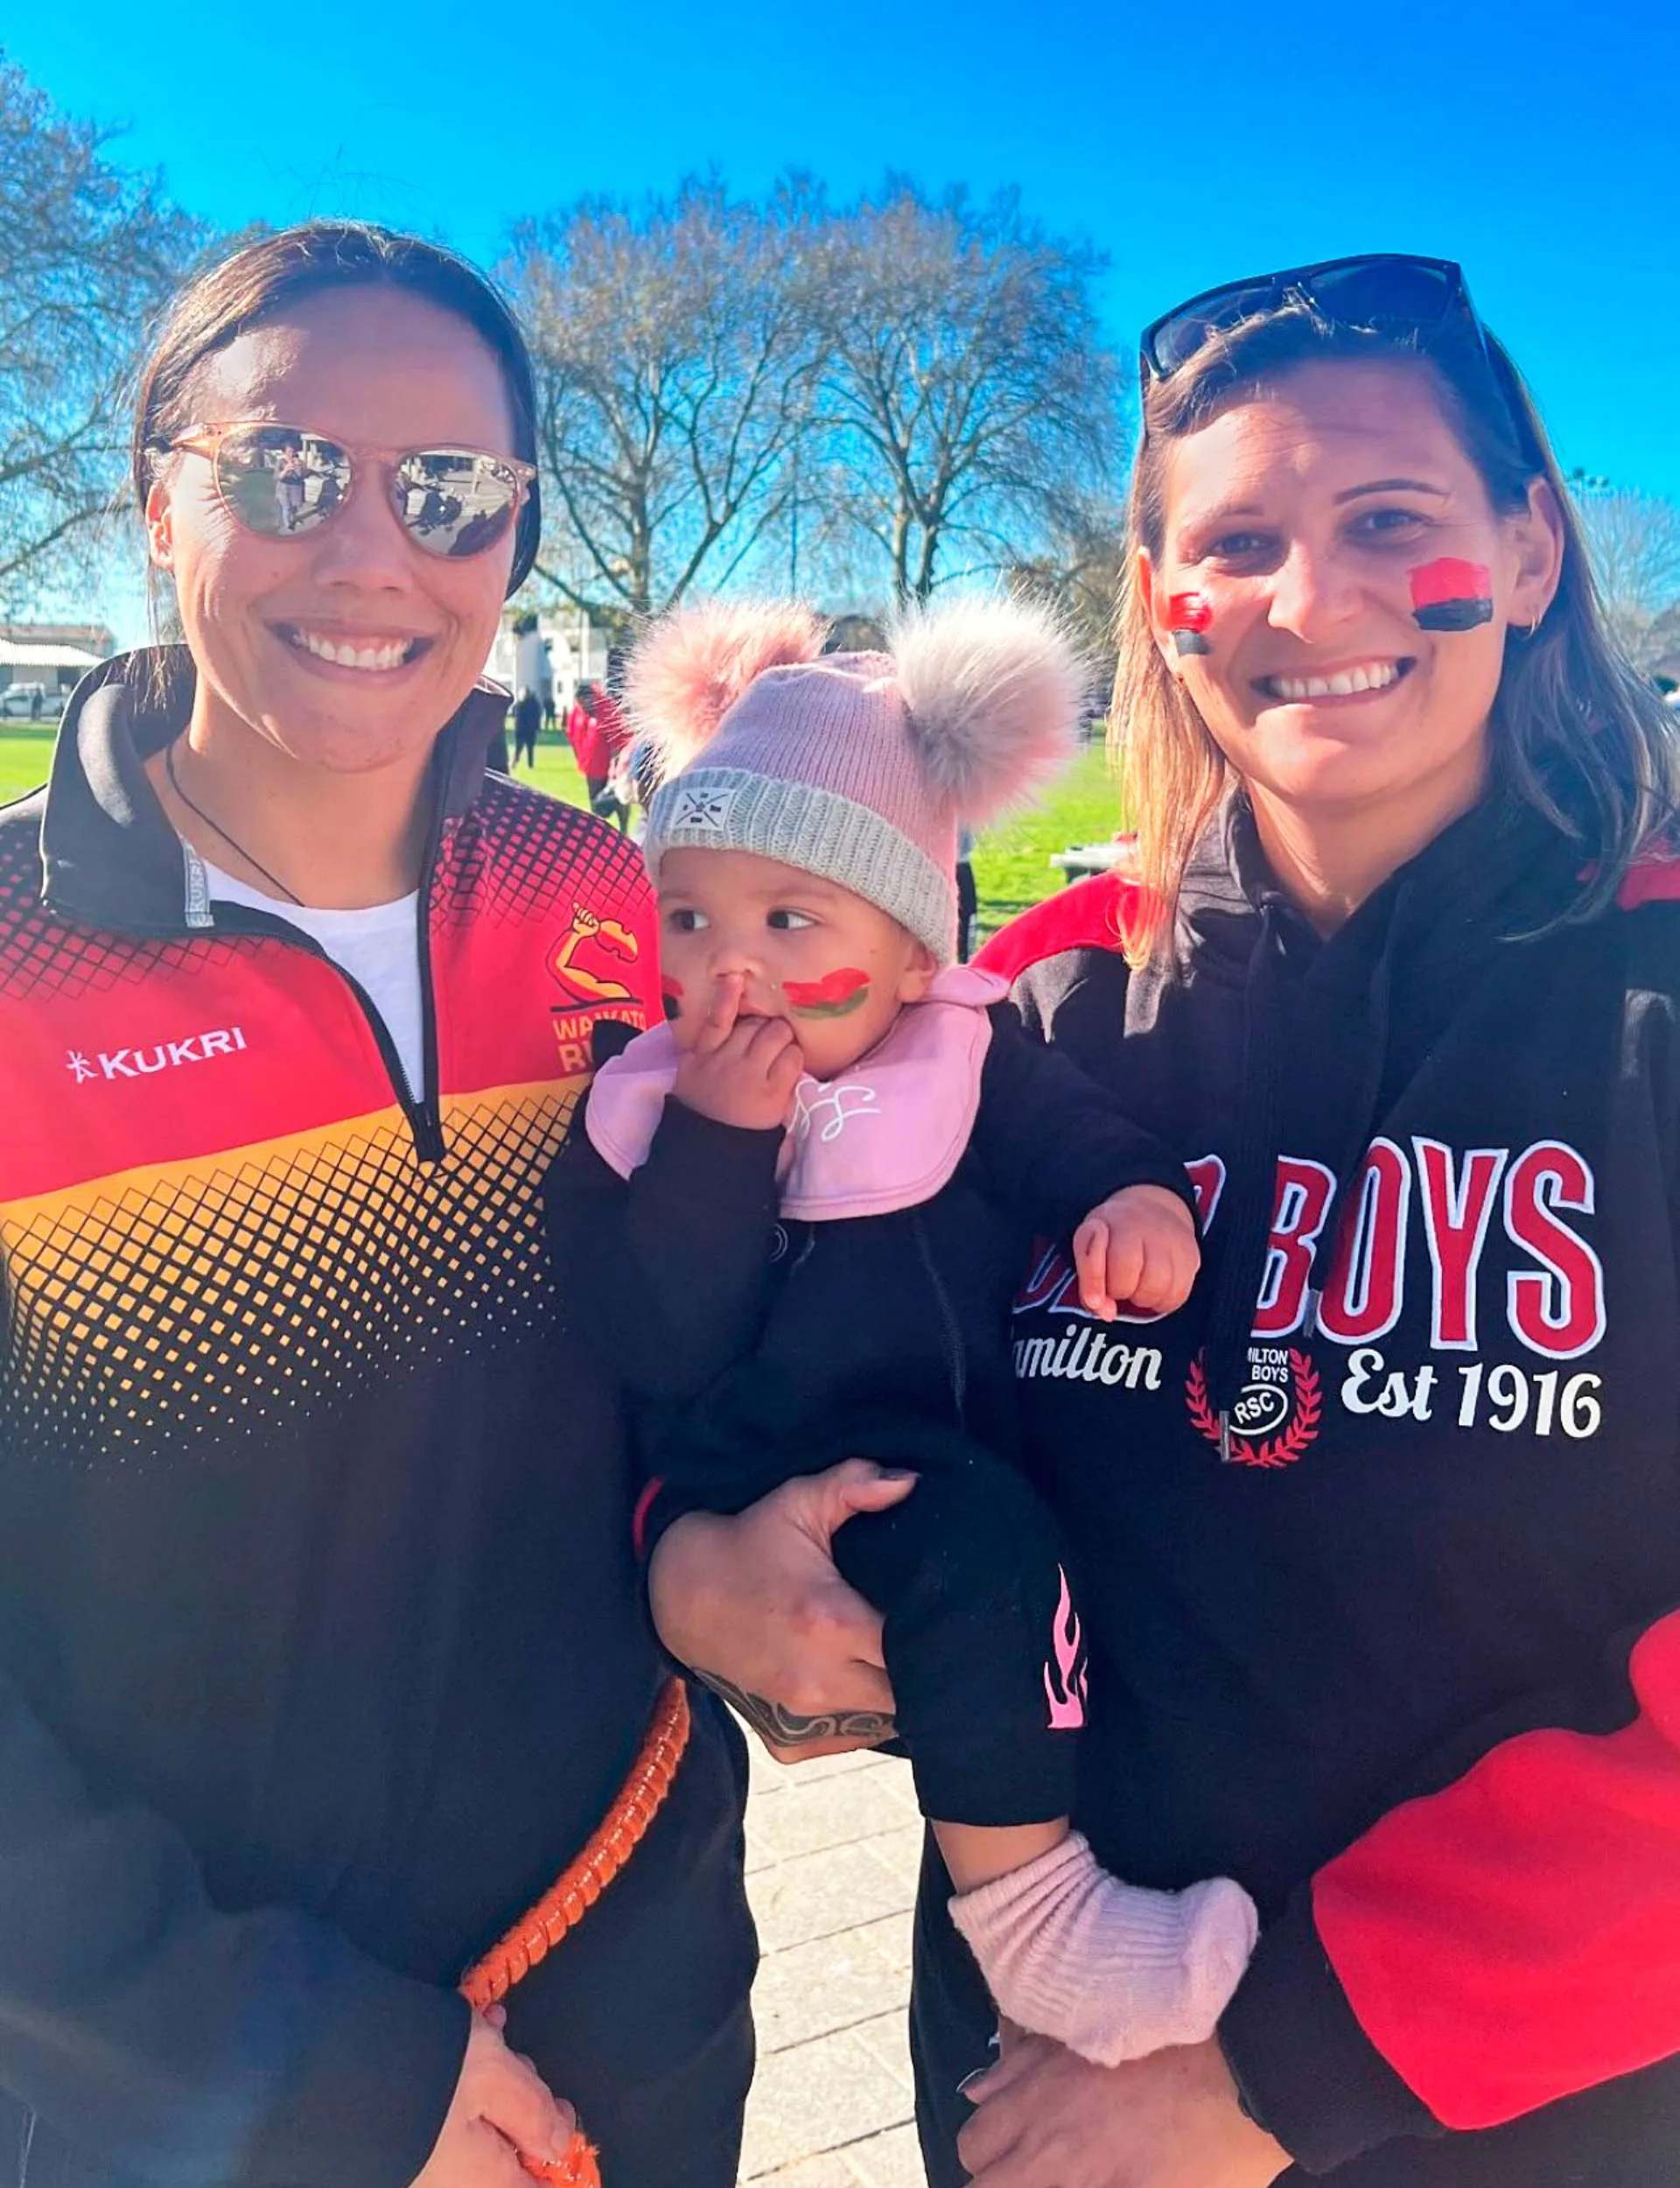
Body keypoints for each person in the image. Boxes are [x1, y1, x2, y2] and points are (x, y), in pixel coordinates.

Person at [646, 252, 1680, 2188]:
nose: (1313, 601)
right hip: (1029, 2091)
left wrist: (1278, 2065)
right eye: (1240, 541)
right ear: (1157, 603)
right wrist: (690, 1560)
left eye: (1393, 523)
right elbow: (752, 1339)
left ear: (1532, 549)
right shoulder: (1014, 1019)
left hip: (1517, 2120)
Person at [0, 220, 754, 2188]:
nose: (372, 552)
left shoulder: (609, 904)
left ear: (514, 535)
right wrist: (283, 2061)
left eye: (448, 490)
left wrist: (776, 1560)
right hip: (192, 2087)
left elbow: (677, 1357)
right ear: (153, 503)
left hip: (634, 1985)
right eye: (290, 471)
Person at [550, 596, 1248, 2071]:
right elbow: (652, 1343)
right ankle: (1041, 1925)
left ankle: (1028, 1912)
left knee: (1000, 1563)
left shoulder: (963, 1053)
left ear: (917, 942)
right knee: (983, 1556)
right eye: (691, 918)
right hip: (762, 1484)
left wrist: (1136, 1203)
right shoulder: (642, 1111)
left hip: (946, 1478)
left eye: (791, 920)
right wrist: (717, 1152)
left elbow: (1080, 1139)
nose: (730, 968)